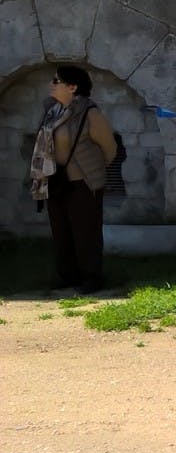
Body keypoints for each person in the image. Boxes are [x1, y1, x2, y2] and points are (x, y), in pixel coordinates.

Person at [29, 65, 117, 293]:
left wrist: (93, 168)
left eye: (56, 81)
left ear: (73, 87)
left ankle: (91, 278)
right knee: (61, 230)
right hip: (56, 179)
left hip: (83, 181)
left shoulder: (90, 112)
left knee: (86, 231)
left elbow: (109, 148)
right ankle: (68, 276)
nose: (51, 84)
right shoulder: (52, 110)